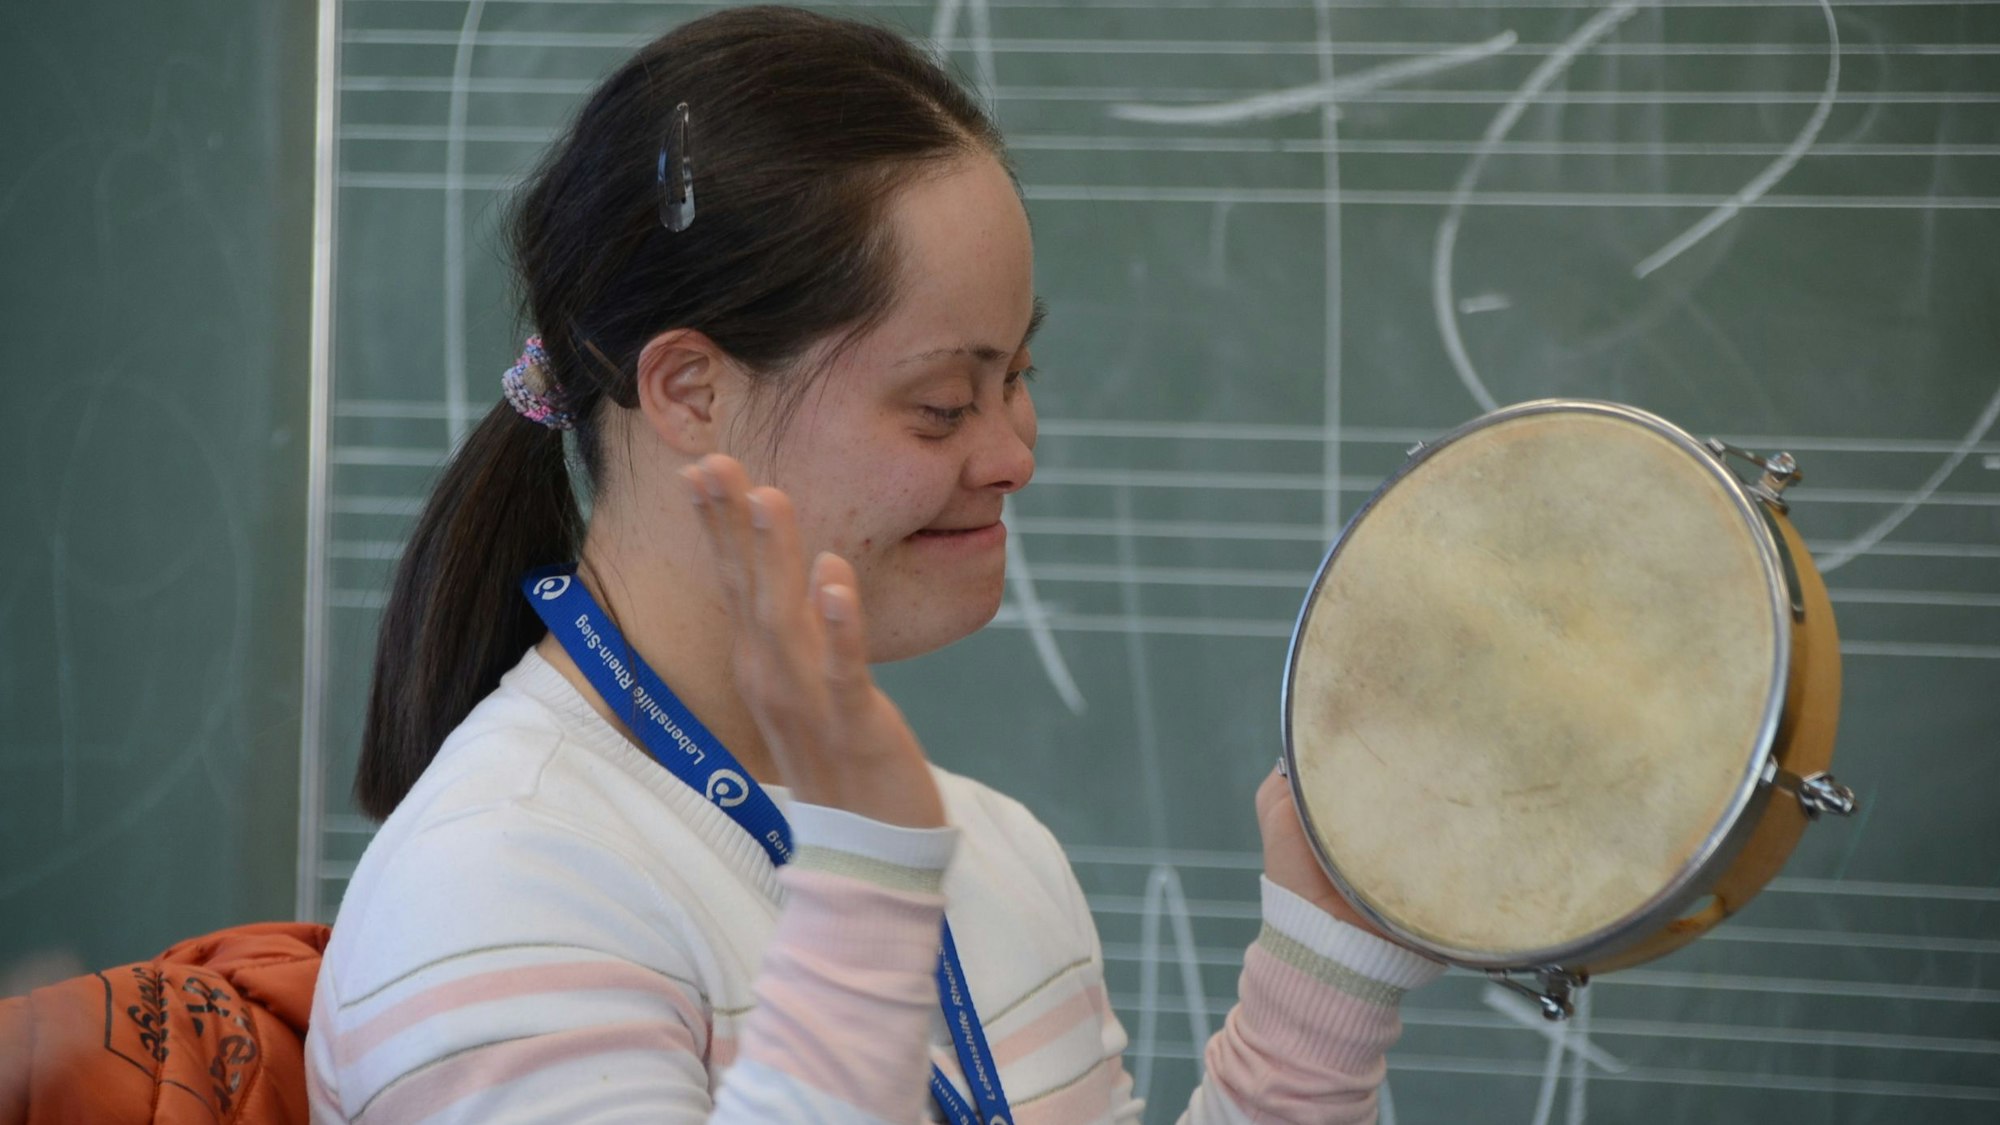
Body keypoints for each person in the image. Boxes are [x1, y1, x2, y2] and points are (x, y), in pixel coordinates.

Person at [304, 7, 1442, 1122]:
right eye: (941, 405)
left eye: (1015, 379)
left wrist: (1318, 980)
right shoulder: (497, 894)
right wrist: (861, 906)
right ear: (691, 393)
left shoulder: (991, 857)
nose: (1010, 456)